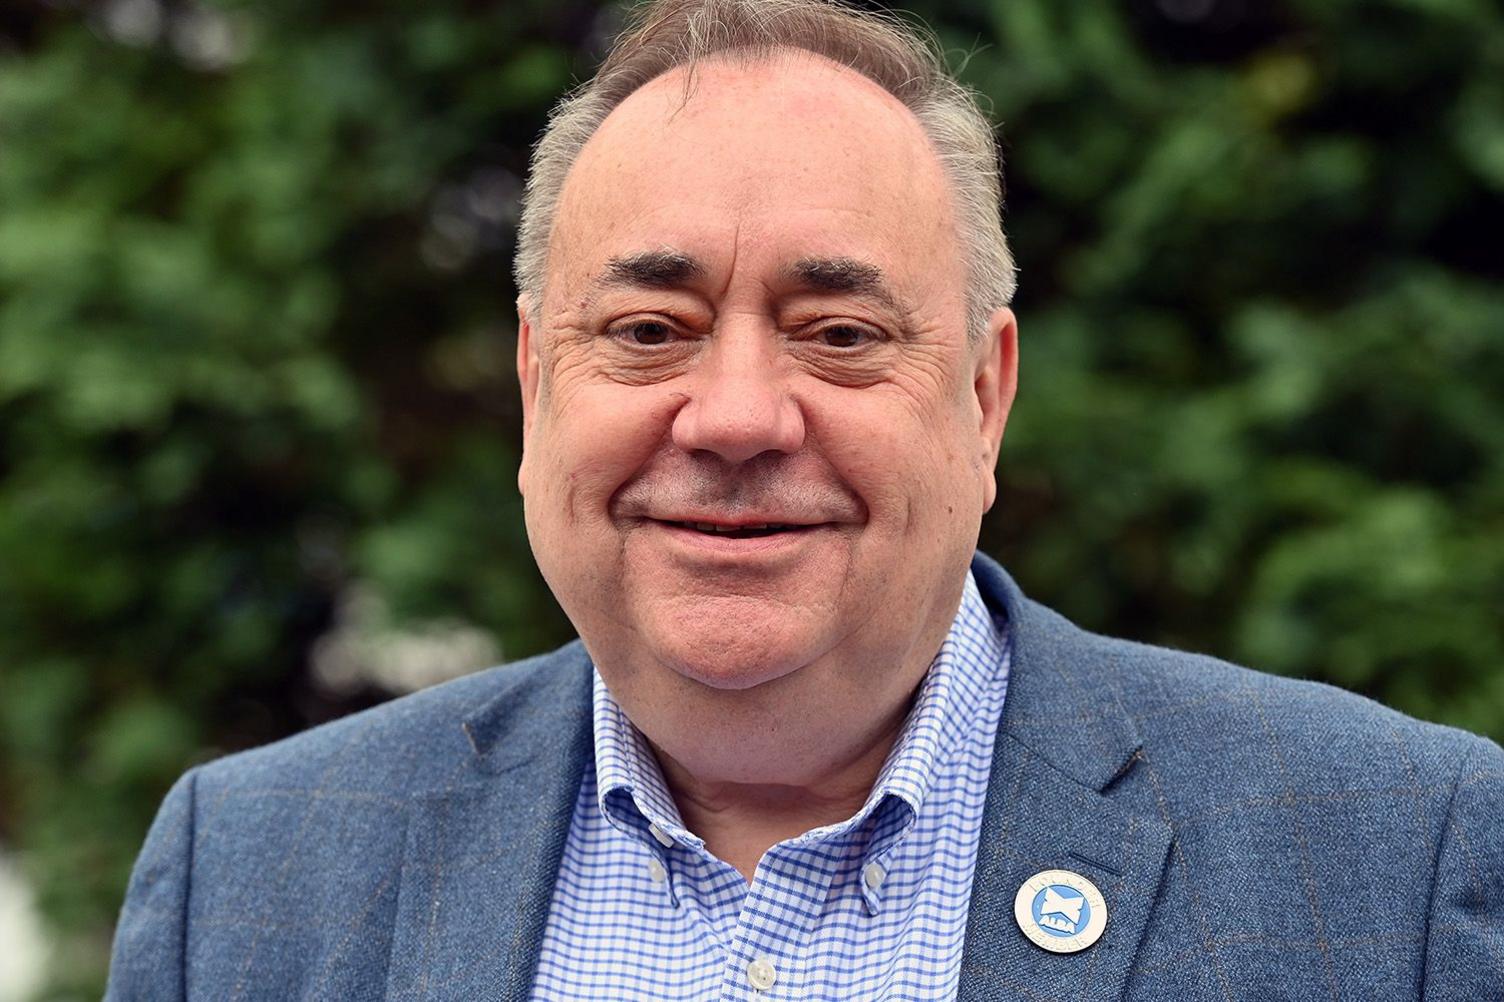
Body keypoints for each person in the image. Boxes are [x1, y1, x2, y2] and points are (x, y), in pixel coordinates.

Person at [107, 1, 1502, 999]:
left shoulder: (1396, 858)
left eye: (838, 333)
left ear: (981, 392)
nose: (733, 419)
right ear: (537, 382)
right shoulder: (250, 879)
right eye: (649, 329)